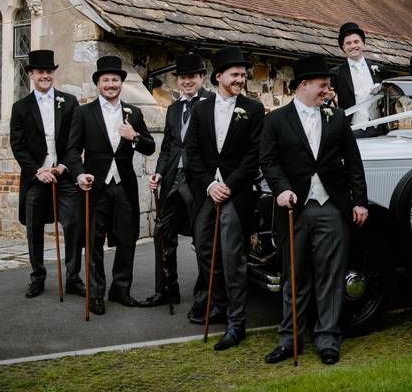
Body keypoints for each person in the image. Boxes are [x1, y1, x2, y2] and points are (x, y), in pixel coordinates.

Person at [261, 54, 368, 366]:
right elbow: (268, 161)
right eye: (323, 85)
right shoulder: (276, 120)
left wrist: (359, 201)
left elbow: (354, 163)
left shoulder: (337, 117)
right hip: (295, 209)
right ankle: (289, 338)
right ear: (304, 85)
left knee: (331, 277)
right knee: (294, 278)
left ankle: (327, 339)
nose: (327, 90)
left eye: (328, 85)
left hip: (332, 208)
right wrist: (281, 189)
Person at [184, 45, 264, 350]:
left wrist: (228, 185)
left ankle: (236, 322)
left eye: (242, 75)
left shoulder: (253, 110)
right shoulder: (201, 109)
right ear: (219, 77)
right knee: (204, 249)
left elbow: (253, 155)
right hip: (206, 193)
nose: (240, 79)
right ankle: (217, 301)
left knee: (233, 258)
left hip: (236, 192)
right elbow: (192, 153)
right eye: (234, 74)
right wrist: (209, 185)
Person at [66, 55, 156, 316]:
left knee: (127, 239)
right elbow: (72, 151)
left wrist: (135, 136)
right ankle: (96, 293)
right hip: (95, 187)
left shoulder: (133, 113)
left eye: (115, 80)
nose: (110, 84)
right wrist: (80, 174)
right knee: (94, 242)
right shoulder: (83, 113)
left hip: (124, 186)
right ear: (98, 84)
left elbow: (149, 147)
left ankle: (121, 289)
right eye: (105, 80)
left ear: (121, 83)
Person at [141, 53, 214, 310]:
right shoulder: (173, 109)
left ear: (201, 77)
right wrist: (159, 173)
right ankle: (166, 290)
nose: (187, 81)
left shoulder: (214, 103)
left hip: (200, 181)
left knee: (202, 238)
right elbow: (169, 146)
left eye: (192, 77)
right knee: (162, 233)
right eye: (182, 77)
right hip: (173, 178)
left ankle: (205, 297)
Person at [9, 49, 83, 299]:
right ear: (30, 74)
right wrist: (37, 171)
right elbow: (17, 146)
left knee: (73, 224)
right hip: (36, 178)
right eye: (40, 71)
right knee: (34, 228)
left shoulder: (69, 101)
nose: (45, 76)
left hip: (64, 174)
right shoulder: (20, 108)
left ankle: (73, 277)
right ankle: (38, 277)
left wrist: (63, 167)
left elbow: (75, 141)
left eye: (49, 71)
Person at [331, 22, 386, 138]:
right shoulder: (336, 73)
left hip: (379, 127)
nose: (353, 46)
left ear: (364, 44)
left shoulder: (379, 69)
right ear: (343, 48)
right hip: (352, 128)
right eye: (348, 43)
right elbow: (328, 99)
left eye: (356, 42)